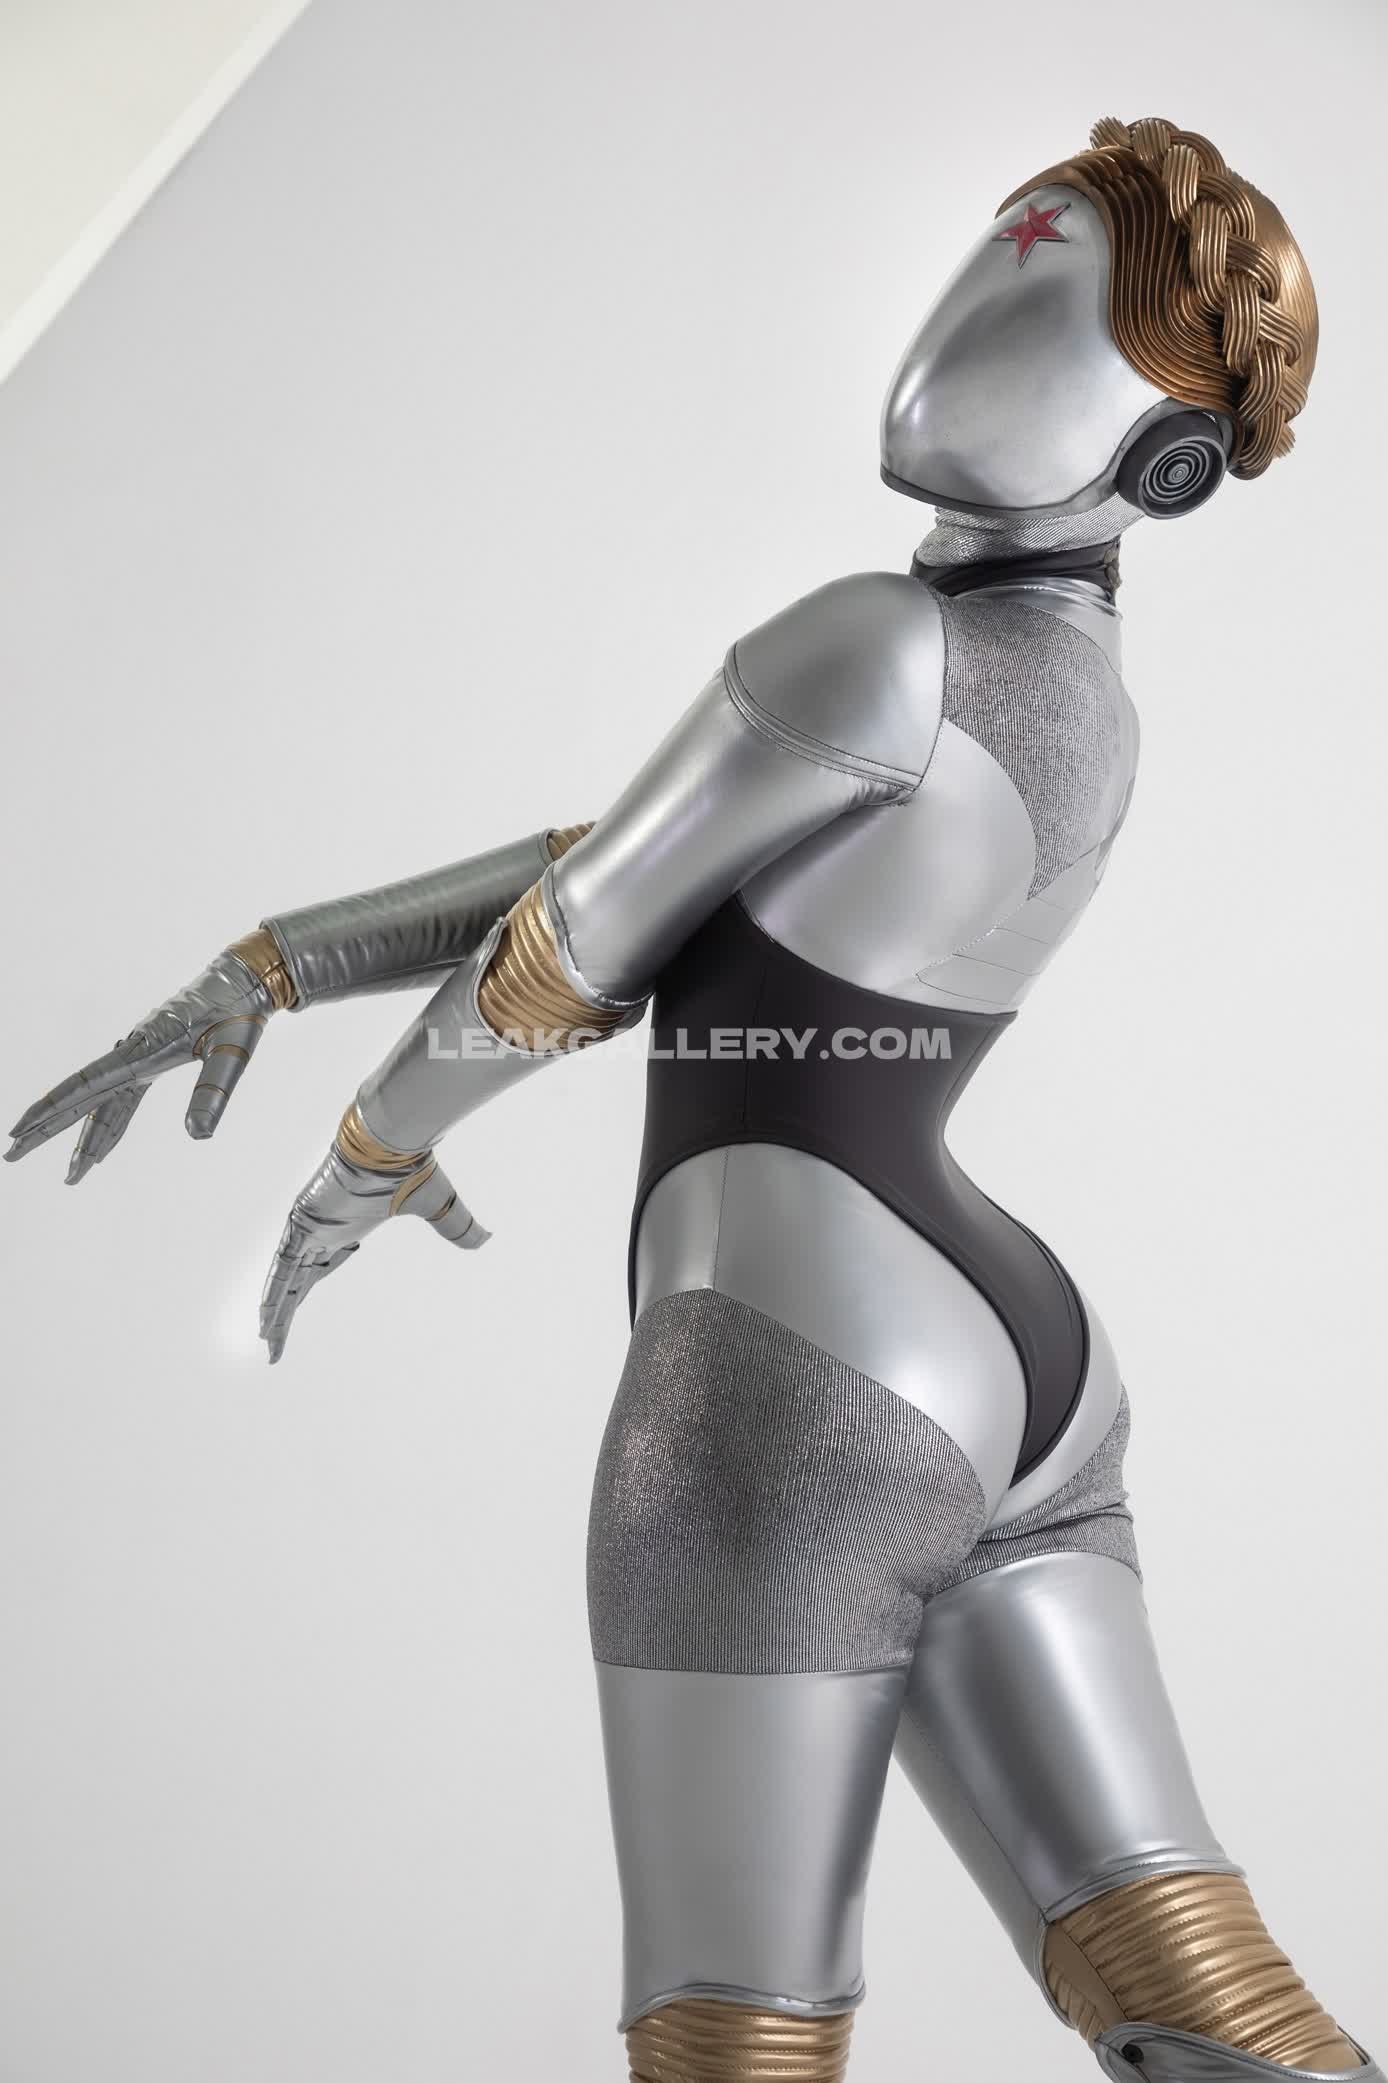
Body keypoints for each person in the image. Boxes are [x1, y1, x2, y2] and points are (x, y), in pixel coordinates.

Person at [9, 116, 1376, 2083]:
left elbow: (576, 939)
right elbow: (643, 866)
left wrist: (370, 1153)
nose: (968, 296)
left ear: (1168, 447)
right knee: (1212, 2014)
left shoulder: (875, 643)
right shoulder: (1077, 696)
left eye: (1038, 265)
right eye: (995, 241)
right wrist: (277, 962)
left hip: (785, 1366)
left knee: (735, 2040)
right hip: (1025, 1371)